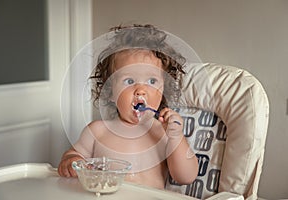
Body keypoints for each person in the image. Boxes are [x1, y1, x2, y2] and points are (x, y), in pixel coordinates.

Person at [58, 24, 198, 189]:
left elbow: (186, 177)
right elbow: (72, 155)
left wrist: (176, 137)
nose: (141, 90)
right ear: (110, 90)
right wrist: (72, 161)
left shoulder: (163, 133)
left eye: (152, 81)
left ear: (163, 91)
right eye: (129, 81)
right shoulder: (97, 131)